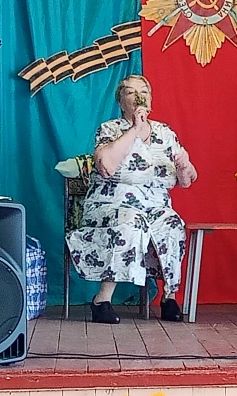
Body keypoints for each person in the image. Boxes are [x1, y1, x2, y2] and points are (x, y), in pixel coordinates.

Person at [66, 75, 197, 324]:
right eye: (130, 93)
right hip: (110, 204)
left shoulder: (165, 133)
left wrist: (184, 166)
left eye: (143, 92)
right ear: (120, 102)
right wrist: (135, 129)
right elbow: (105, 165)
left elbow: (187, 181)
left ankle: (169, 297)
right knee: (133, 221)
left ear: (151, 99)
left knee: (172, 223)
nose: (138, 97)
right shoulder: (110, 129)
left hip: (155, 207)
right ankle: (102, 300)